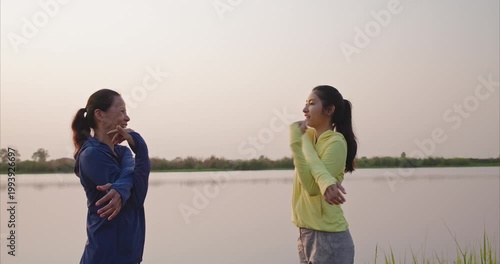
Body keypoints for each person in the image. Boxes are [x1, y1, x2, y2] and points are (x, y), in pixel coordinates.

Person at [71, 89, 150, 264]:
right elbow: (137, 197)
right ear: (100, 114)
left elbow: (129, 165)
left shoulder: (121, 152)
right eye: (121, 111)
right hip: (105, 258)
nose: (127, 118)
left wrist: (121, 186)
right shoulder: (92, 155)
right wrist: (140, 146)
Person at [290, 85, 358, 264]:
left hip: (329, 236)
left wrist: (298, 143)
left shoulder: (336, 143)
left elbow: (312, 188)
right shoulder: (310, 139)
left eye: (311, 103)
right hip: (305, 232)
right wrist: (303, 140)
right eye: (305, 103)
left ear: (329, 110)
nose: (305, 109)